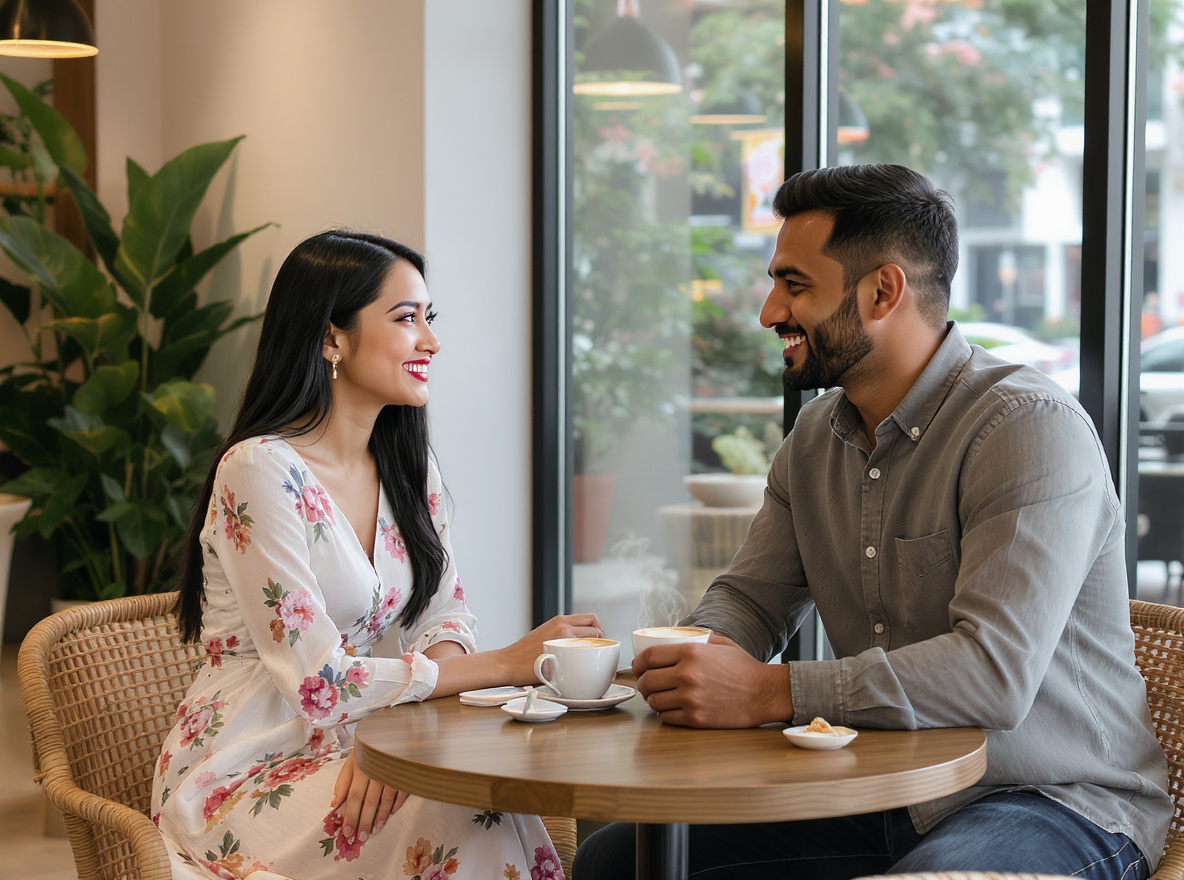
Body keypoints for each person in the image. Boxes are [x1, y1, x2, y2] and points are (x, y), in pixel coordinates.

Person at [574, 165, 1171, 879]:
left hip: (1055, 800)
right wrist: (695, 662)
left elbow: (992, 674)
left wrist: (768, 691)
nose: (768, 313)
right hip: (882, 786)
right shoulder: (814, 439)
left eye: (794, 286)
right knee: (620, 858)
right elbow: (750, 598)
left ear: (883, 291)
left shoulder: (1026, 428)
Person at [156, 230, 598, 880]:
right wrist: (506, 664)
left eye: (429, 318)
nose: (431, 340)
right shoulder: (257, 470)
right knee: (455, 813)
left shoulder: (409, 469)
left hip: (361, 735)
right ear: (331, 338)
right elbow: (318, 682)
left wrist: (403, 741)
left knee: (478, 795)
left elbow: (444, 618)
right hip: (245, 767)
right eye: (405, 318)